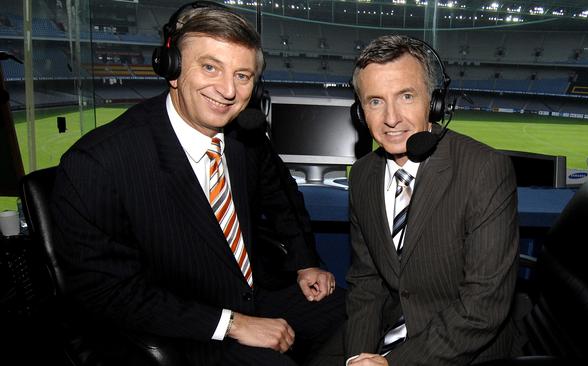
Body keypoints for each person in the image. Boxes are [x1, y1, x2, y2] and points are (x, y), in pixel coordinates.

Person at [49, 2, 345, 365]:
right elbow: (107, 292)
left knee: (362, 314)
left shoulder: (245, 136)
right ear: (171, 67)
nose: (227, 91)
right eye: (210, 67)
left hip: (254, 292)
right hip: (181, 324)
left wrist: (305, 262)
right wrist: (231, 324)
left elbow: (281, 197)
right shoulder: (99, 164)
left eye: (242, 76)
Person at [345, 35, 520, 365]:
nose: (391, 118)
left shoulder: (485, 170)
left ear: (435, 102)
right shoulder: (363, 175)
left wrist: (393, 364)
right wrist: (358, 356)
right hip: (388, 333)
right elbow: (366, 282)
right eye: (375, 101)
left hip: (463, 350)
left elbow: (484, 306)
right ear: (360, 112)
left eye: (406, 96)